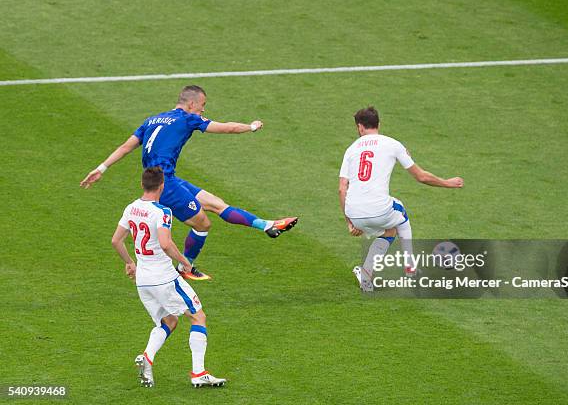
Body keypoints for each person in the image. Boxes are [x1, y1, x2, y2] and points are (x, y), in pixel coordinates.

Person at [83, 85, 298, 280]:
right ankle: (185, 268)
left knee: (215, 203)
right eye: (203, 105)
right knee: (203, 224)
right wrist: (250, 126)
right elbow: (227, 128)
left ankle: (267, 225)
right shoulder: (187, 118)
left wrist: (101, 168)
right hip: (164, 184)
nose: (203, 110)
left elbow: (125, 147)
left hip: (167, 179)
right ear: (192, 103)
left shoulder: (152, 120)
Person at [111, 167, 226, 388]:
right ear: (162, 186)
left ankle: (147, 357)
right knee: (198, 316)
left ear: (143, 185)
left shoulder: (131, 208)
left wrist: (129, 263)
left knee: (169, 321)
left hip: (143, 280)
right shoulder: (162, 211)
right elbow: (165, 244)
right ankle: (199, 373)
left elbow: (117, 240)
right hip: (165, 279)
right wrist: (184, 262)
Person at [338, 107, 464, 291]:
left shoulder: (350, 150)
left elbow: (342, 189)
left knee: (390, 231)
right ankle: (411, 269)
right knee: (401, 214)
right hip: (379, 210)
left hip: (353, 213)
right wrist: (447, 183)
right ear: (378, 124)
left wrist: (350, 222)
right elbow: (421, 177)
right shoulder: (393, 144)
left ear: (359, 127)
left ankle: (366, 273)